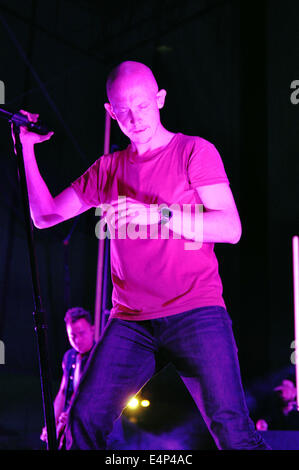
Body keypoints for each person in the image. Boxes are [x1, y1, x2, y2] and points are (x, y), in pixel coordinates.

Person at [12, 60, 270, 450]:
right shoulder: (107, 169)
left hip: (196, 312)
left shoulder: (193, 151)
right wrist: (25, 150)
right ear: (110, 112)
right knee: (81, 423)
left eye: (143, 106)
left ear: (160, 99)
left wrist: (161, 214)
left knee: (233, 432)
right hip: (131, 321)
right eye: (123, 110)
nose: (134, 118)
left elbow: (231, 229)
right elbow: (45, 215)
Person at [40, 307, 95, 446]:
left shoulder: (99, 356)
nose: (77, 340)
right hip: (67, 420)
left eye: (82, 333)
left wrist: (73, 414)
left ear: (92, 330)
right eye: (72, 336)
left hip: (88, 424)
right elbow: (63, 392)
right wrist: (51, 424)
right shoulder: (69, 356)